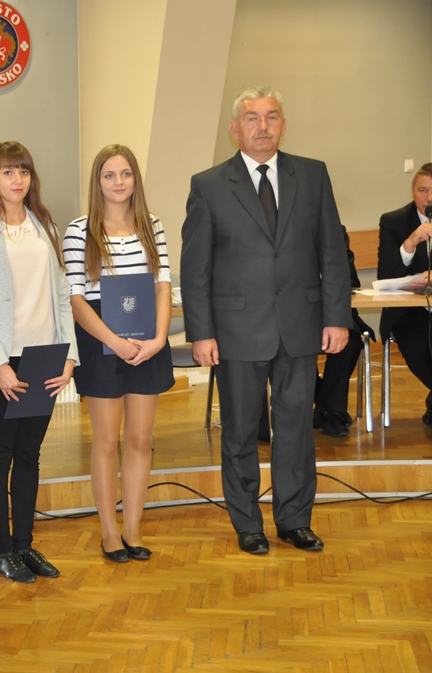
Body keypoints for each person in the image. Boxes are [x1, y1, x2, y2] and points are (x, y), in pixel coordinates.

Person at [180, 87, 352, 556]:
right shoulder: (209, 185)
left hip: (301, 325)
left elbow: (332, 253)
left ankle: (294, 520)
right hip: (236, 331)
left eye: (272, 116)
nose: (263, 126)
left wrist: (337, 317)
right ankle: (248, 523)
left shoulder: (312, 175)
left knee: (296, 429)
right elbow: (196, 269)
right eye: (252, 118)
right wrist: (201, 332)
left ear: (283, 125)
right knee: (239, 431)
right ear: (235, 129)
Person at [0, 141, 78, 583]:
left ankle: (25, 545)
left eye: (23, 171)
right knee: (0, 455)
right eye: (8, 172)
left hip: (44, 356)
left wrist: (69, 356)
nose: (17, 180)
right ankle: (3, 550)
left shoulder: (44, 224)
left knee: (30, 454)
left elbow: (62, 295)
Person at [63, 144, 174, 563]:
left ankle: (133, 529)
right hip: (101, 342)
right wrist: (112, 341)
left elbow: (162, 285)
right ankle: (109, 531)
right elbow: (75, 298)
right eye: (109, 175)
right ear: (97, 182)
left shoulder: (152, 224)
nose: (118, 182)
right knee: (107, 441)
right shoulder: (79, 230)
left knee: (141, 440)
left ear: (135, 179)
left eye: (125, 173)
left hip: (148, 342)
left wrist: (159, 338)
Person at [376, 163, 432, 425]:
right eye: (423, 190)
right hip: (410, 312)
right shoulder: (393, 222)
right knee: (418, 344)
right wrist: (409, 244)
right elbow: (385, 276)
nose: (429, 198)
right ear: (413, 192)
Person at [312, 226, 375, 437]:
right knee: (293, 345)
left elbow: (350, 282)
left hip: (333, 313)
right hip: (295, 316)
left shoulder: (334, 231)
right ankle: (329, 410)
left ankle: (326, 410)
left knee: (351, 341)